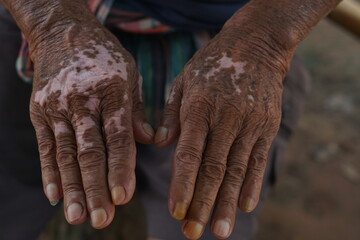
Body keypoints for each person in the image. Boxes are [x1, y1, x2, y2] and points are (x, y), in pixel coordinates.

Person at [0, 0, 339, 239]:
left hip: (243, 29)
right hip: (46, 17)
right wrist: (52, 25)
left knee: (206, 211)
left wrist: (266, 41)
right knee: (12, 196)